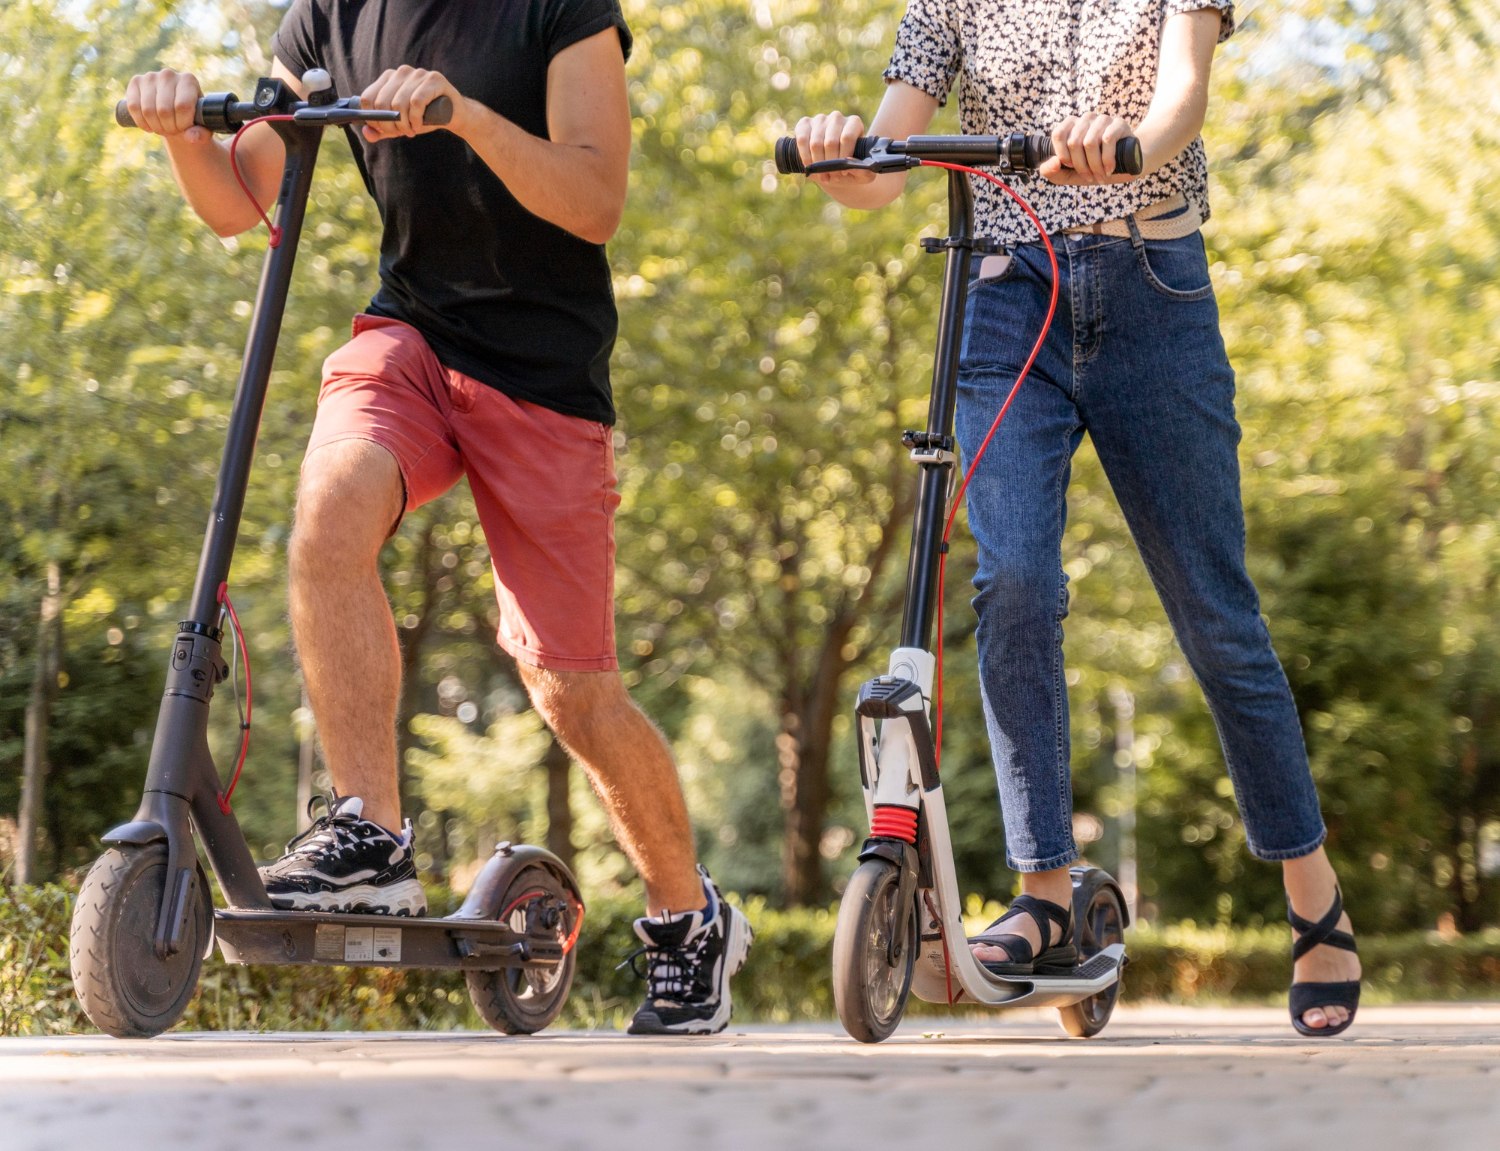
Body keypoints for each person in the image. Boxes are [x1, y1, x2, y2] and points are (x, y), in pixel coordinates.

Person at [122, 0, 750, 1036]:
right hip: (411, 336)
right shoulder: (328, 15)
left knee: (573, 690)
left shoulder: (562, 9)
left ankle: (688, 916)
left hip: (545, 374)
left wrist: (462, 116)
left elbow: (596, 198)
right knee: (325, 517)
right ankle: (369, 832)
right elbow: (243, 201)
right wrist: (186, 132)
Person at [794, 0, 1360, 1036]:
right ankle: (1045, 891)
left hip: (1152, 285)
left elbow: (1180, 100)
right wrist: (845, 160)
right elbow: (885, 162)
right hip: (1008, 295)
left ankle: (1312, 892)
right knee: (1011, 583)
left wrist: (1123, 141)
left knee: (1217, 619)